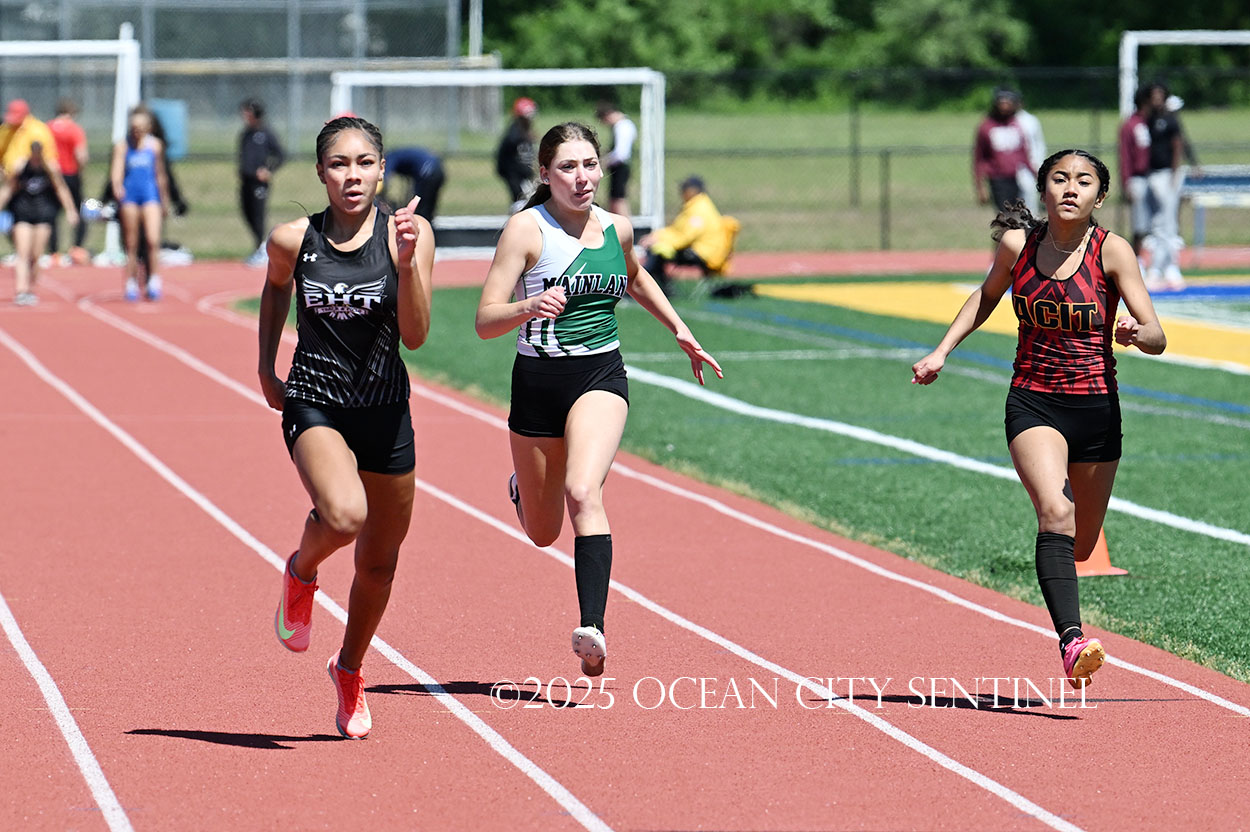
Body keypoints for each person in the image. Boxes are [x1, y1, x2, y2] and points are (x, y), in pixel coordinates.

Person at [912, 149, 1166, 690]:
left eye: (1084, 181)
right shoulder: (1017, 245)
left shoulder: (1113, 251)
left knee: (1080, 544)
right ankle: (1072, 642)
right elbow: (985, 297)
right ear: (1043, 189)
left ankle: (1066, 603)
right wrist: (941, 351)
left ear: (1100, 196)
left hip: (1096, 408)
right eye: (1059, 179)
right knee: (1055, 511)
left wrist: (1134, 333)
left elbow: (1157, 335)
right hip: (1033, 400)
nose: (1070, 188)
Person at [475, 122, 722, 678]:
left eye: (590, 164)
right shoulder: (526, 231)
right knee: (543, 533)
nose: (582, 177)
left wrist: (679, 329)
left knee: (583, 490)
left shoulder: (617, 228)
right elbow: (485, 320)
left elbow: (634, 278)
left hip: (600, 376)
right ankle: (522, 488)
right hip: (536, 384)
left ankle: (593, 628)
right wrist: (528, 306)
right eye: (568, 167)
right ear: (545, 174)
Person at [259, 115, 433, 740]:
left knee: (380, 566)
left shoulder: (408, 234)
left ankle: (350, 668)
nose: (352, 175)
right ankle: (302, 571)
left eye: (364, 163)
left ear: (382, 170)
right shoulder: (293, 240)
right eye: (339, 163)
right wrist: (265, 366)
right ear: (320, 172)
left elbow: (416, 335)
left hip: (385, 408)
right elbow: (275, 289)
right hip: (316, 401)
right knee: (343, 514)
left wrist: (407, 265)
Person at [0, 141, 78, 305]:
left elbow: (61, 188)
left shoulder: (50, 168)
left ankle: (30, 288)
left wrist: (70, 210)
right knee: (22, 253)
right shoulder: (21, 166)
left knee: (36, 255)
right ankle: (21, 290)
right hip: (22, 213)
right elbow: (8, 188)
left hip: (43, 214)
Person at [639, 175, 740, 295]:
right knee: (658, 250)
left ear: (692, 190)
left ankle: (644, 285)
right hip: (695, 249)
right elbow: (676, 230)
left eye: (684, 188)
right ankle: (657, 287)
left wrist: (659, 240)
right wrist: (657, 236)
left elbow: (685, 238)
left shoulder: (699, 209)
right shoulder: (692, 206)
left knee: (658, 252)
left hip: (703, 254)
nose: (681, 191)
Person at [109, 106, 169, 302]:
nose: (137, 132)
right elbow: (116, 171)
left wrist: (165, 199)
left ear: (148, 127)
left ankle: (154, 280)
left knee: (152, 240)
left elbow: (160, 174)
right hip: (130, 196)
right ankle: (131, 281)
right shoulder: (123, 146)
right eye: (134, 128)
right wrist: (117, 187)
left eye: (141, 128)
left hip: (150, 195)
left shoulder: (155, 146)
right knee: (131, 243)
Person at [1143, 82, 1186, 290]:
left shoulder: (1170, 120)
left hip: (1167, 174)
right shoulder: (1148, 119)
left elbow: (1178, 145)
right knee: (1158, 223)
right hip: (1152, 174)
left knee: (1167, 223)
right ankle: (1160, 267)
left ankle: (1167, 266)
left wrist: (1174, 174)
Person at [238, 97, 285, 267]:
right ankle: (259, 245)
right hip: (246, 180)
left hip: (259, 183)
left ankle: (261, 248)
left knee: (258, 215)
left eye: (248, 112)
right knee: (246, 212)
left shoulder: (266, 133)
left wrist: (268, 170)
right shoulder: (245, 134)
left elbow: (280, 155)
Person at [973, 88, 1033, 215]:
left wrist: (1037, 174)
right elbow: (979, 158)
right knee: (1005, 216)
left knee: (1018, 214)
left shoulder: (1015, 125)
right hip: (997, 179)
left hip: (1015, 177)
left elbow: (1023, 154)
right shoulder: (987, 127)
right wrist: (980, 186)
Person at [47, 98, 90, 264]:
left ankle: (54, 252)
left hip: (52, 174)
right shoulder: (75, 129)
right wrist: (81, 170)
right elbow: (81, 154)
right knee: (78, 211)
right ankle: (77, 247)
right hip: (71, 174)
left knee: (51, 213)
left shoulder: (47, 128)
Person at [1117, 86, 1153, 259]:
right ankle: (1137, 258)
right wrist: (1126, 181)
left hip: (1154, 176)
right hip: (1138, 177)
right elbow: (1125, 155)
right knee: (1139, 222)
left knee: (1155, 222)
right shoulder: (1131, 125)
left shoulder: (1154, 122)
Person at [594, 101, 637, 216]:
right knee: (614, 199)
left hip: (621, 167)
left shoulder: (622, 127)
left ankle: (624, 223)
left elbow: (621, 154)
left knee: (619, 199)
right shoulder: (622, 126)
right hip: (618, 167)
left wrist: (604, 162)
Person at [496, 97, 538, 213]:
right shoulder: (515, 133)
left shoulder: (524, 130)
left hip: (523, 174)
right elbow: (508, 150)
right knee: (521, 201)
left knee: (528, 198)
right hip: (515, 174)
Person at [382, 147, 445, 222]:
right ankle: (428, 223)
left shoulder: (390, 157)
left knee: (420, 205)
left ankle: (421, 225)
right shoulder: (399, 154)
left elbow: (384, 178)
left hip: (427, 171)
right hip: (438, 169)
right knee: (428, 206)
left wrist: (381, 196)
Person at [1014, 99, 1046, 216]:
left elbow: (1038, 143)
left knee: (1029, 190)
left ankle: (1031, 219)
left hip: (1029, 162)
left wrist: (1038, 162)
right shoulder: (1002, 121)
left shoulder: (1030, 120)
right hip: (1010, 164)